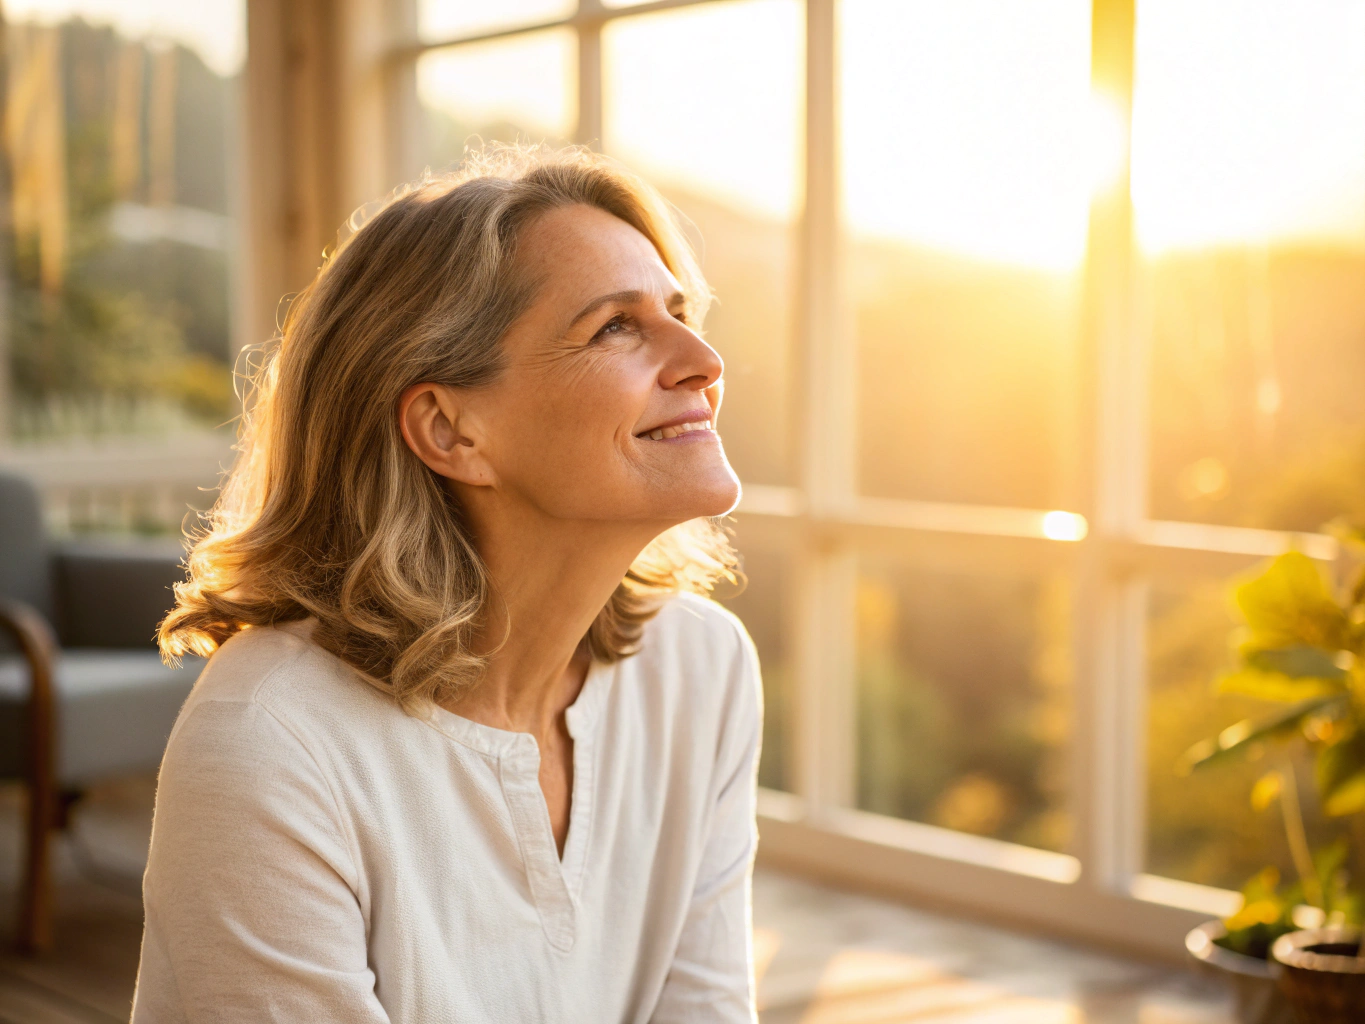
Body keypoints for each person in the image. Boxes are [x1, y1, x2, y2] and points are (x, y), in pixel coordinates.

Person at [130, 146, 762, 1023]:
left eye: (679, 311)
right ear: (448, 429)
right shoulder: (271, 741)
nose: (701, 358)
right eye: (616, 325)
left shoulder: (702, 666)